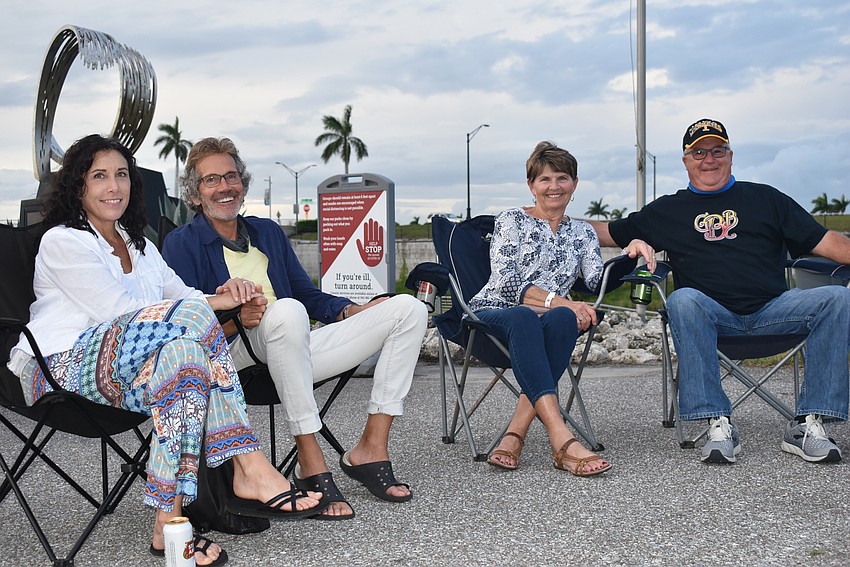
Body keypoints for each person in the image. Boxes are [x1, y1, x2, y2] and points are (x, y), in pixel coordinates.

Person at [6, 134, 328, 566]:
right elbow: (119, 313)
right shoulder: (64, 241)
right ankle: (248, 464)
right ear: (78, 186)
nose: (113, 187)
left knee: (185, 361)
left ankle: (169, 525)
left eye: (121, 175)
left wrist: (225, 295)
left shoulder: (140, 245)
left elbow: (185, 296)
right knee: (191, 324)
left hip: (130, 371)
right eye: (99, 176)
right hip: (62, 364)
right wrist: (208, 305)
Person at [162, 137, 428, 519]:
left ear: (243, 182)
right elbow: (185, 328)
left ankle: (371, 447)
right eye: (212, 180)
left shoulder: (267, 232)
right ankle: (310, 460)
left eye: (232, 176)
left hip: (291, 346)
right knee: (285, 311)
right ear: (195, 192)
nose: (225, 187)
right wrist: (236, 319)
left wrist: (355, 309)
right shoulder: (181, 244)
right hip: (233, 358)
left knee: (408, 308)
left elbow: (307, 295)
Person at [592, 118, 850, 464]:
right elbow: (607, 232)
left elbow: (826, 242)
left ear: (730, 156)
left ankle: (808, 422)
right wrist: (549, 217)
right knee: (682, 298)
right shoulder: (667, 210)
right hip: (710, 319)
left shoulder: (767, 199)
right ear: (686, 160)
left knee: (836, 297)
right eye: (698, 152)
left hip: (774, 312)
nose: (708, 159)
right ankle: (717, 421)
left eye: (717, 150)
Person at [468, 141, 651, 476]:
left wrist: (630, 253)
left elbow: (597, 281)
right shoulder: (511, 220)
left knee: (565, 318)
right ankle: (561, 439)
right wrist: (560, 300)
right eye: (545, 179)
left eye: (562, 178)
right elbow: (506, 283)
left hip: (550, 321)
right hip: (495, 312)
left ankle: (514, 434)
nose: (554, 187)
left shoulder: (582, 232)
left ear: (574, 184)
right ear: (531, 185)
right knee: (530, 315)